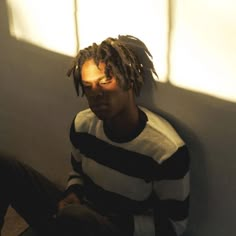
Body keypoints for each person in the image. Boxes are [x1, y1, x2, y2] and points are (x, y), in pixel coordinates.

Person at [0, 35, 190, 236]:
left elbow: (174, 226)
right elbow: (77, 172)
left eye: (106, 81)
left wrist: (113, 222)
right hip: (78, 218)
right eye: (88, 86)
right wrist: (73, 192)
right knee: (4, 166)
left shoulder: (166, 151)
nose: (97, 94)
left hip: (118, 230)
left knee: (76, 217)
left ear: (130, 79)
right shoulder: (83, 124)